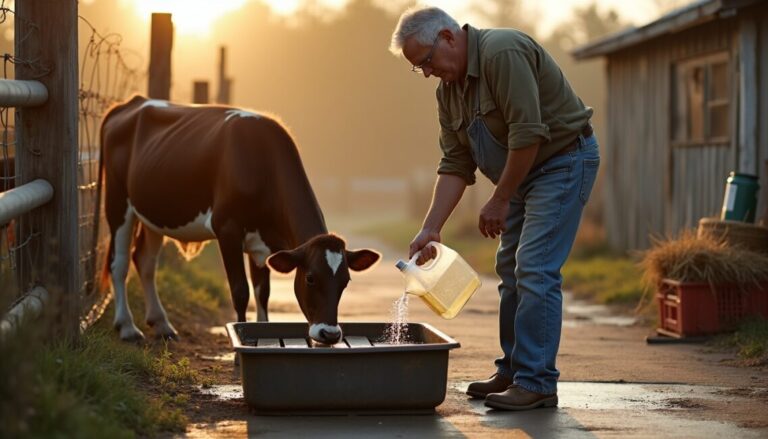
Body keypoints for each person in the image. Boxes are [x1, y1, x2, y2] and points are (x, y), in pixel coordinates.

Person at [389, 6, 600, 411]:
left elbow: (528, 132)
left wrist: (500, 198)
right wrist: (430, 227)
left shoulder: (502, 53)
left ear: (449, 37)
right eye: (419, 68)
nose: (428, 73)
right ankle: (514, 370)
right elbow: (455, 163)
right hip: (521, 173)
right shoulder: (448, 92)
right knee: (510, 269)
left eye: (427, 61)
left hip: (561, 161)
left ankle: (537, 382)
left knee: (534, 266)